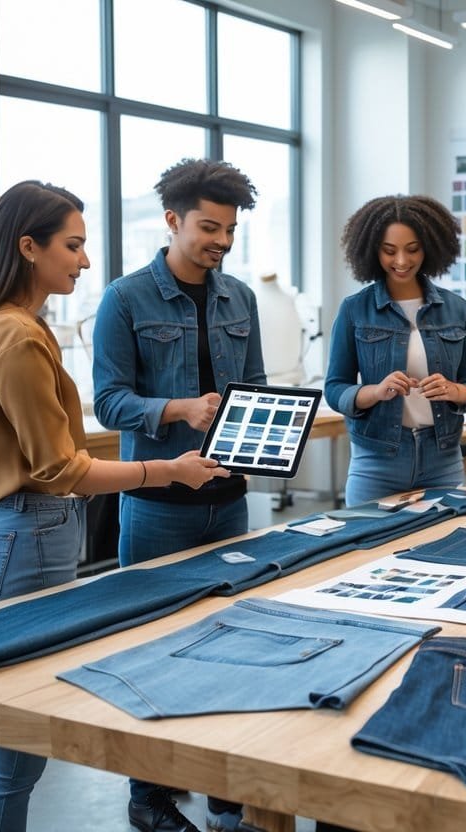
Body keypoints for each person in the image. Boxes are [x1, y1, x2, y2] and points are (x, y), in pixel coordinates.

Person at [0, 181, 224, 832]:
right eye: (72, 246)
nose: (85, 261)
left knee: (1, 744)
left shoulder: (7, 326)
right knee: (17, 752)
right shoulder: (17, 336)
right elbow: (60, 469)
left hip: (22, 537)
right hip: (28, 541)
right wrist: (169, 471)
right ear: (27, 247)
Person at [92, 158, 266, 832]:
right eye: (207, 227)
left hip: (230, 499)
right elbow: (108, 403)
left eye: (228, 230)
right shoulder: (124, 299)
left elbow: (252, 390)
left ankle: (225, 784)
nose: (219, 241)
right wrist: (176, 411)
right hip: (157, 508)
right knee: (151, 646)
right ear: (173, 220)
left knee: (236, 641)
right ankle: (149, 794)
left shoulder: (238, 298)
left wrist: (265, 433)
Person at [324, 194, 466, 507]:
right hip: (376, 462)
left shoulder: (456, 309)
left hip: (442, 459)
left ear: (430, 247)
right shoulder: (355, 309)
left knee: (443, 549)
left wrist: (454, 390)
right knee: (367, 551)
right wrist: (375, 392)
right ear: (372, 250)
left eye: (413, 250)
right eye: (389, 251)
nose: (401, 261)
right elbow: (334, 389)